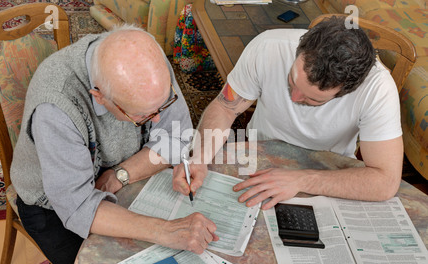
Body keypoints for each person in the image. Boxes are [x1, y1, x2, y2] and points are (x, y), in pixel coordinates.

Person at [11, 24, 218, 264]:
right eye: (142, 115)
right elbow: (78, 208)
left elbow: (177, 136)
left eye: (163, 105)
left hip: (119, 170)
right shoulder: (56, 109)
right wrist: (166, 230)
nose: (157, 121)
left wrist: (119, 175)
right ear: (99, 97)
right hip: (52, 205)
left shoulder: (147, 60)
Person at [172, 16, 403, 210]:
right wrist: (199, 157)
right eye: (293, 79)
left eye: (312, 99)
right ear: (300, 49)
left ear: (347, 90)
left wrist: (303, 179)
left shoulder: (378, 89)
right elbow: (224, 107)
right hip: (257, 158)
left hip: (328, 174)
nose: (294, 98)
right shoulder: (268, 46)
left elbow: (385, 181)